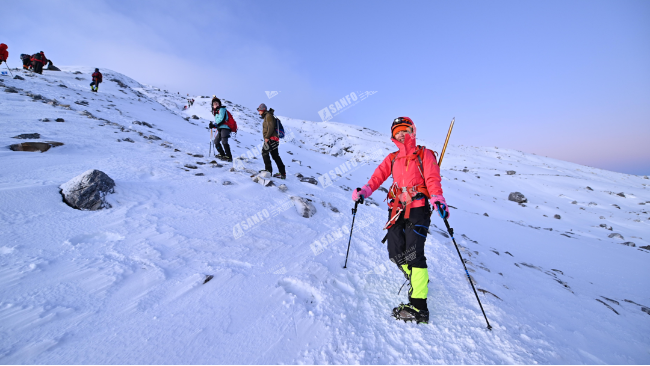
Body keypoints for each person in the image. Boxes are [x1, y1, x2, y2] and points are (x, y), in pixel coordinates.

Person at [351, 117, 449, 324]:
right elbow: (377, 177)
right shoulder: (392, 158)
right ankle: (417, 278)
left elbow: (432, 179)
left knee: (414, 254)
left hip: (419, 209)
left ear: (412, 131)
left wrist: (438, 198)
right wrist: (365, 191)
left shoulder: (425, 154)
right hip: (396, 209)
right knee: (395, 253)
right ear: (393, 136)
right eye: (397, 132)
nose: (401, 134)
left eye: (405, 130)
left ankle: (419, 306)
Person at [257, 103, 286, 179]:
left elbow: (271, 127)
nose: (259, 112)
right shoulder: (267, 116)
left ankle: (268, 170)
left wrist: (267, 137)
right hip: (274, 138)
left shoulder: (268, 116)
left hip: (271, 138)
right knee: (275, 156)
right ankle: (282, 173)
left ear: (263, 110)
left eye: (259, 110)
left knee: (264, 152)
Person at [208, 98, 233, 162]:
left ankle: (229, 156)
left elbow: (221, 119)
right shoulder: (216, 112)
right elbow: (218, 122)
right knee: (216, 141)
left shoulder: (222, 109)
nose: (215, 104)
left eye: (217, 103)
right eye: (214, 104)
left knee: (224, 141)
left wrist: (214, 125)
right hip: (221, 128)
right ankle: (222, 154)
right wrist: (213, 125)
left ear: (219, 104)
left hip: (225, 128)